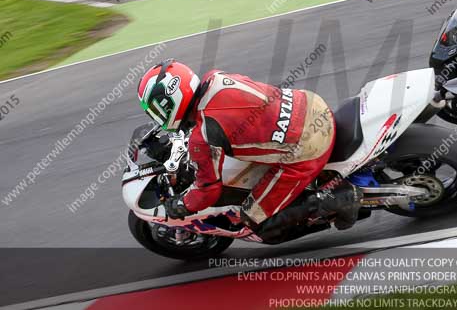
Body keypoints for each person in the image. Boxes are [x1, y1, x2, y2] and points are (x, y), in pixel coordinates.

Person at [136, 60, 362, 241]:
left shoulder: (203, 137)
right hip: (309, 104)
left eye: (155, 110)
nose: (157, 116)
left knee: (256, 222)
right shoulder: (216, 78)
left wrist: (179, 206)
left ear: (169, 102)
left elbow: (208, 191)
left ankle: (336, 199)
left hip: (307, 145)